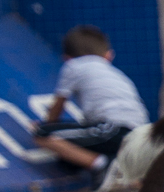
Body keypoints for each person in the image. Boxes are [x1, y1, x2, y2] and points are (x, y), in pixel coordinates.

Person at [33, 25, 149, 179]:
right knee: (67, 162)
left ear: (66, 58)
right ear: (109, 56)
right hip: (139, 133)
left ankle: (103, 165)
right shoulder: (116, 73)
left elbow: (58, 106)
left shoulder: (73, 66)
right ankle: (120, 167)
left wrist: (46, 125)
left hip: (114, 129)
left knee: (43, 134)